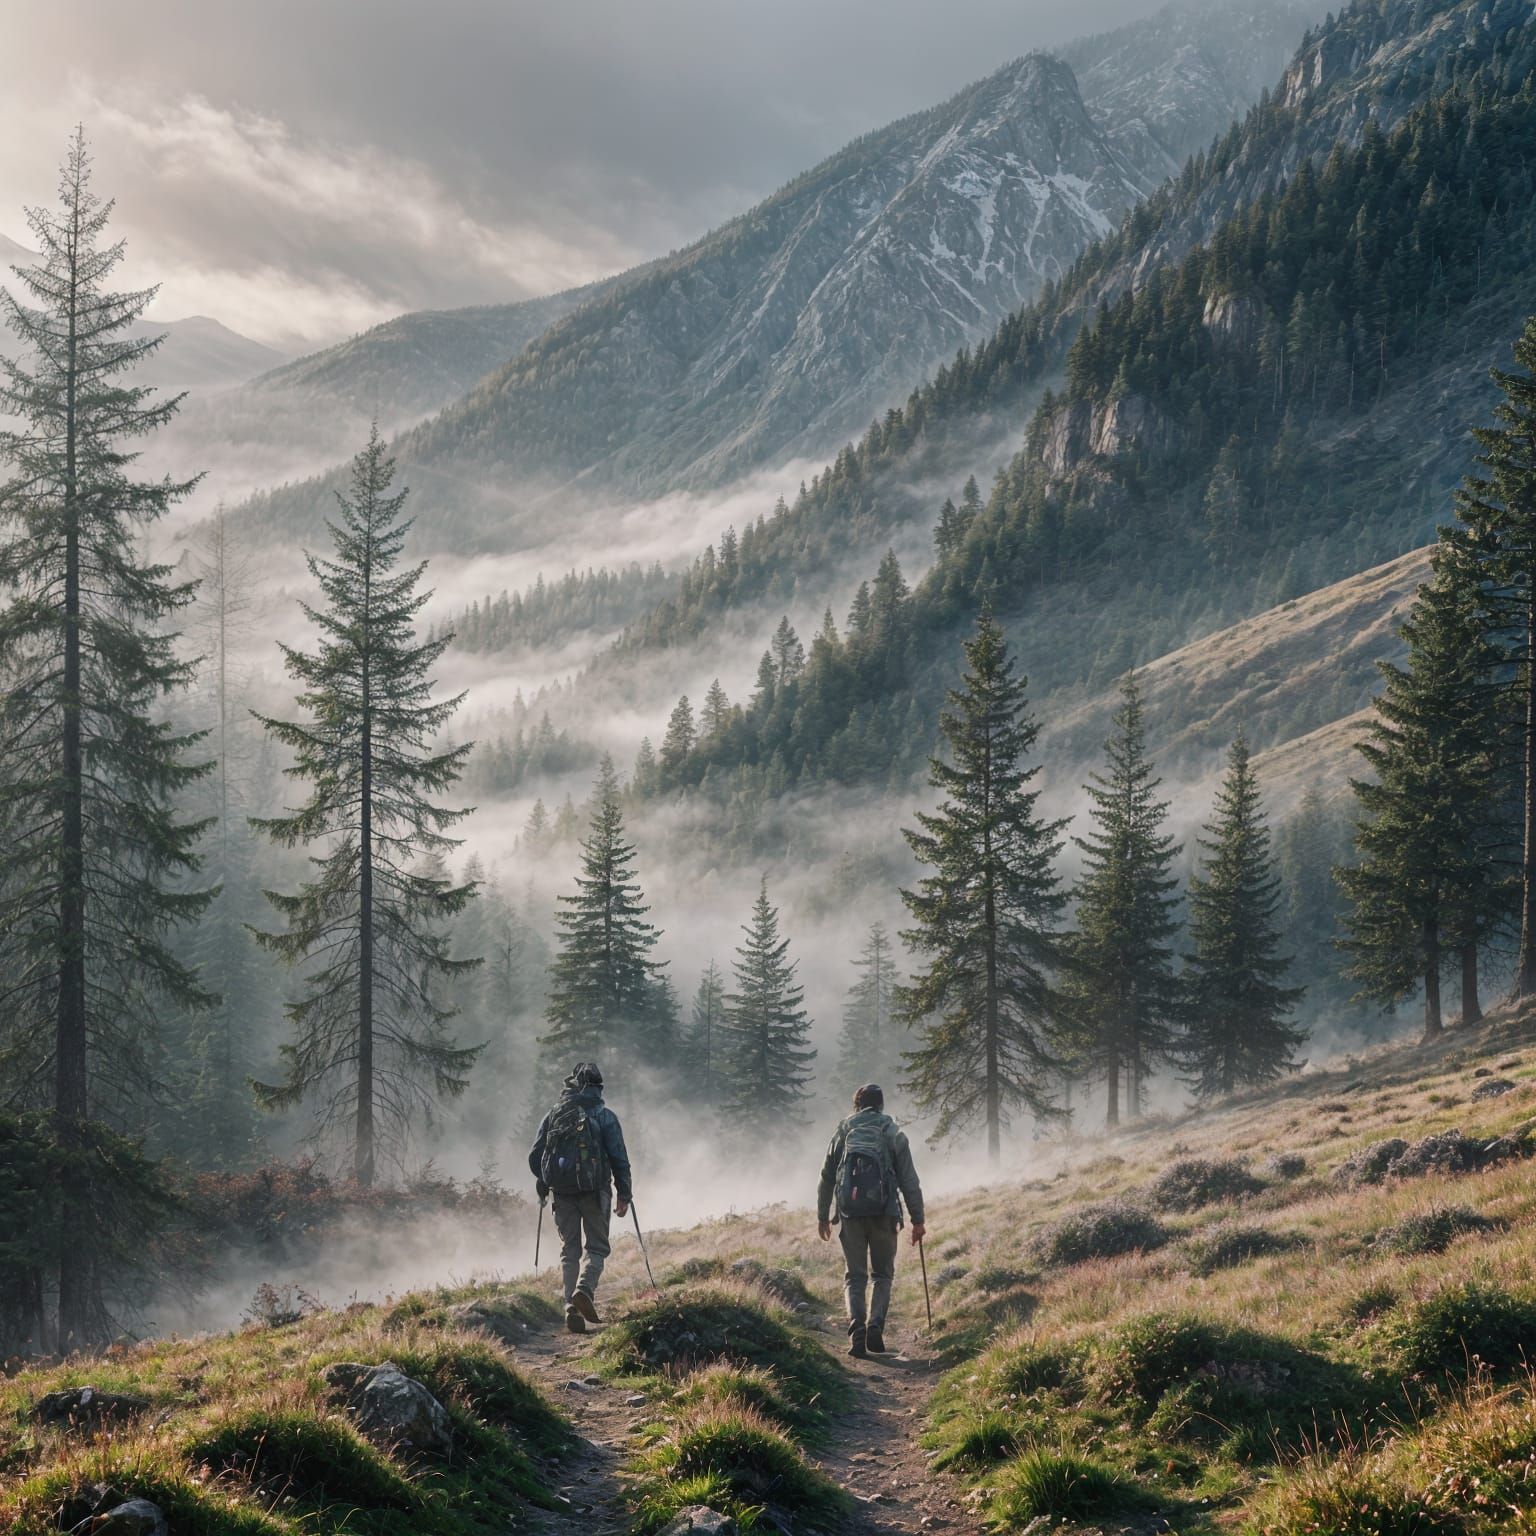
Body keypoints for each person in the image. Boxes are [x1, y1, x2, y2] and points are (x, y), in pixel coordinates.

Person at [816, 1083, 925, 1358]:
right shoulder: (891, 1131)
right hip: (884, 1212)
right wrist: (918, 1219)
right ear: (881, 1104)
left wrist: (822, 1216)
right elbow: (909, 1180)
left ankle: (857, 1329)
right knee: (882, 1274)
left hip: (850, 1213)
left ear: (857, 1103)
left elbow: (827, 1175)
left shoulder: (843, 1130)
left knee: (855, 1276)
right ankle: (875, 1325)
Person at [529, 1061, 633, 1333]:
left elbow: (535, 1156)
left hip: (562, 1194)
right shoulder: (605, 1116)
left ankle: (570, 1306)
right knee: (597, 1247)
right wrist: (625, 1193)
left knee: (570, 1250)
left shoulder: (554, 1114)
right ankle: (584, 1289)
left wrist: (544, 1182)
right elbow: (619, 1157)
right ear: (598, 1087)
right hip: (594, 1191)